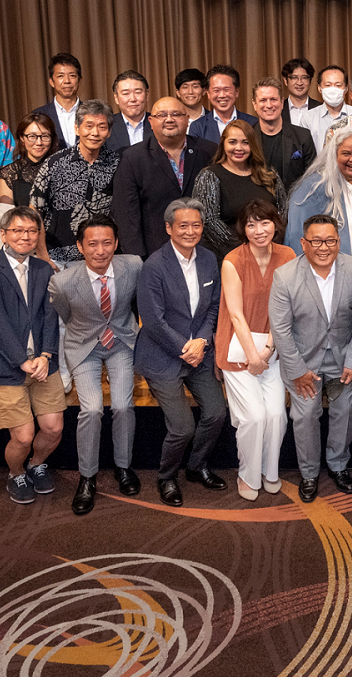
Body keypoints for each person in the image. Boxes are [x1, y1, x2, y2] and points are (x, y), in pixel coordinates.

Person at [271, 214, 352, 502]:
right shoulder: (286, 276)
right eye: (316, 241)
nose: (323, 247)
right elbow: (280, 329)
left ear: (338, 242)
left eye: (329, 240)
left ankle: (339, 466)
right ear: (304, 243)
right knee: (305, 416)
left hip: (344, 359)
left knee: (345, 413)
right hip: (303, 362)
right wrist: (297, 369)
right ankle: (309, 474)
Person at [134, 199, 227, 506]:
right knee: (183, 427)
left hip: (199, 352)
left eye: (196, 225)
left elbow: (214, 306)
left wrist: (201, 342)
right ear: (169, 228)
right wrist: (184, 348)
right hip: (163, 355)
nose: (190, 231)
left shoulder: (209, 259)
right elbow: (153, 320)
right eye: (183, 225)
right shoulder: (154, 266)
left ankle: (196, 466)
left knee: (216, 413)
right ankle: (167, 476)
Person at [48, 214, 142, 515]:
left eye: (106, 243)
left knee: (124, 406)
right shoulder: (62, 282)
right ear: (79, 246)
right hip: (84, 345)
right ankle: (87, 477)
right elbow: (65, 315)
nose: (100, 250)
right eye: (92, 244)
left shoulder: (134, 266)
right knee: (91, 409)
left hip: (122, 341)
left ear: (116, 243)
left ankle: (123, 467)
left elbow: (140, 303)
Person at [0, 207, 62, 505]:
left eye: (32, 231)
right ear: (4, 234)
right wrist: (22, 360)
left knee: (53, 429)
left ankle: (36, 465)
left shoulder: (43, 269)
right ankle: (16, 472)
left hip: (43, 364)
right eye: (18, 230)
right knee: (22, 436)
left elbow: (51, 317)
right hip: (6, 367)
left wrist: (46, 355)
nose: (25, 236)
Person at [215, 200, 294, 501]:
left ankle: (269, 472)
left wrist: (269, 349)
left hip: (272, 348)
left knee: (276, 415)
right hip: (237, 349)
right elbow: (235, 315)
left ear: (276, 224)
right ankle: (247, 475)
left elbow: (286, 308)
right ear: (243, 229)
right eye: (251, 224)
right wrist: (253, 356)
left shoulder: (287, 256)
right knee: (253, 417)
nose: (259, 230)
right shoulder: (233, 261)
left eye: (264, 222)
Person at [111, 96, 217, 258]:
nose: (169, 119)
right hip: (155, 253)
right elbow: (125, 214)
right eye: (162, 115)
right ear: (151, 122)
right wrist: (138, 257)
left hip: (204, 251)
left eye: (176, 114)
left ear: (187, 119)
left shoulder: (209, 151)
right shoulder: (133, 158)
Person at [31, 100, 121, 266]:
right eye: (89, 125)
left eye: (102, 127)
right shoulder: (54, 163)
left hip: (104, 257)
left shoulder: (117, 163)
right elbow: (35, 210)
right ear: (76, 128)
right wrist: (43, 256)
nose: (95, 132)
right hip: (59, 257)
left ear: (108, 132)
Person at [285, 126, 352, 256]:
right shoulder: (314, 187)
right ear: (334, 154)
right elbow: (297, 236)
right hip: (338, 273)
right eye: (346, 153)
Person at [193, 120, 282, 257]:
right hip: (229, 255)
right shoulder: (209, 175)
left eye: (245, 142)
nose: (239, 148)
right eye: (232, 142)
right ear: (223, 144)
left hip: (269, 251)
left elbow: (282, 211)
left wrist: (267, 242)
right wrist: (246, 248)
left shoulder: (269, 174)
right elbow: (209, 221)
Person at [252, 76, 316, 195]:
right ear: (254, 104)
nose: (269, 105)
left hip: (293, 206)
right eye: (263, 100)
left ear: (282, 102)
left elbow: (312, 178)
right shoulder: (247, 138)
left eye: (273, 99)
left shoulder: (303, 136)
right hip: (257, 208)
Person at [190, 64, 259, 144]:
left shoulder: (253, 123)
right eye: (216, 90)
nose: (222, 95)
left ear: (237, 92)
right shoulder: (198, 127)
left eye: (227, 89)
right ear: (208, 94)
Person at [0, 113, 56, 207]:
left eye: (45, 136)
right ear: (22, 138)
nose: (39, 142)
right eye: (32, 136)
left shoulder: (63, 168)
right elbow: (7, 215)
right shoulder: (9, 173)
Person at [33, 52, 83, 150]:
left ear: (79, 79)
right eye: (60, 76)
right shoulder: (38, 115)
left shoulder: (92, 113)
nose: (67, 81)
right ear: (51, 82)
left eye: (72, 75)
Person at [300, 64, 352, 150]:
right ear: (319, 88)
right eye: (328, 85)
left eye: (338, 85)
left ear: (346, 89)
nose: (333, 90)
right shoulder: (308, 118)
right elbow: (304, 152)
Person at [104, 70, 153, 153]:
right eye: (126, 93)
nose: (133, 99)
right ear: (116, 98)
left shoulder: (159, 123)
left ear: (147, 95)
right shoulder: (107, 125)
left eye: (138, 92)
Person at [282, 57, 322, 125]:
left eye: (304, 78)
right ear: (286, 81)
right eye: (294, 77)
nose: (299, 83)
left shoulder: (321, 109)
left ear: (310, 81)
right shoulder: (278, 109)